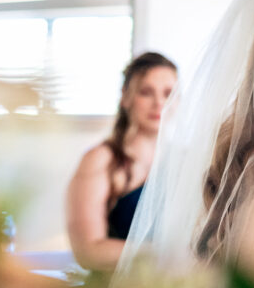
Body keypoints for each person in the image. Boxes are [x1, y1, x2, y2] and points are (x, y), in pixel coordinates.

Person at [66, 52, 176, 272]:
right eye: (146, 92)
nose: (159, 103)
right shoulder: (101, 160)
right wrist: (166, 254)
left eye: (168, 94)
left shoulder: (184, 161)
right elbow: (87, 251)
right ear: (126, 97)